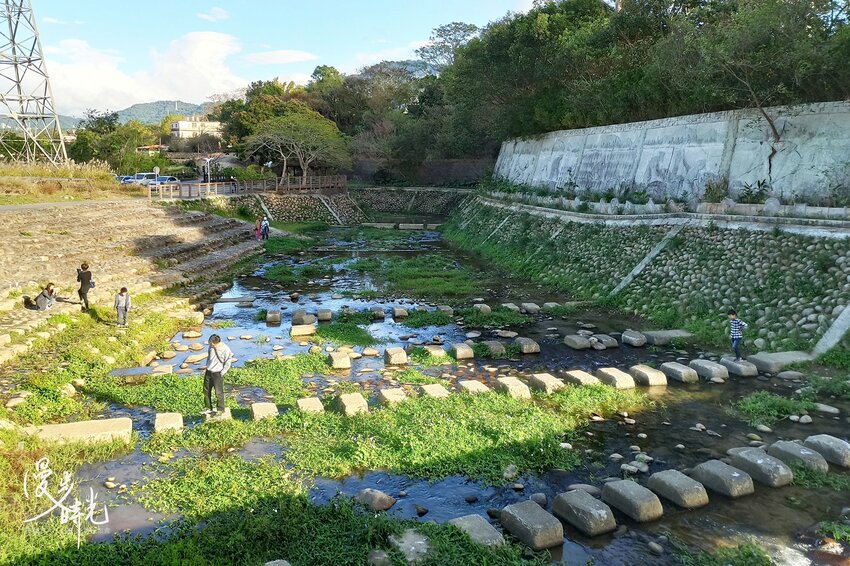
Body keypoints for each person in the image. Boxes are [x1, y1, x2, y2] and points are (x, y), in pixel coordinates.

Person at [203, 334, 233, 415]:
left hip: (218, 373)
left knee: (218, 392)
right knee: (206, 391)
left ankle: (220, 409)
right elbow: (209, 357)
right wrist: (207, 366)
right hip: (209, 372)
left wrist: (223, 372)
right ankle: (208, 408)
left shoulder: (225, 349)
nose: (210, 345)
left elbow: (228, 360)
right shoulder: (211, 346)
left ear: (216, 342)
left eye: (211, 344)